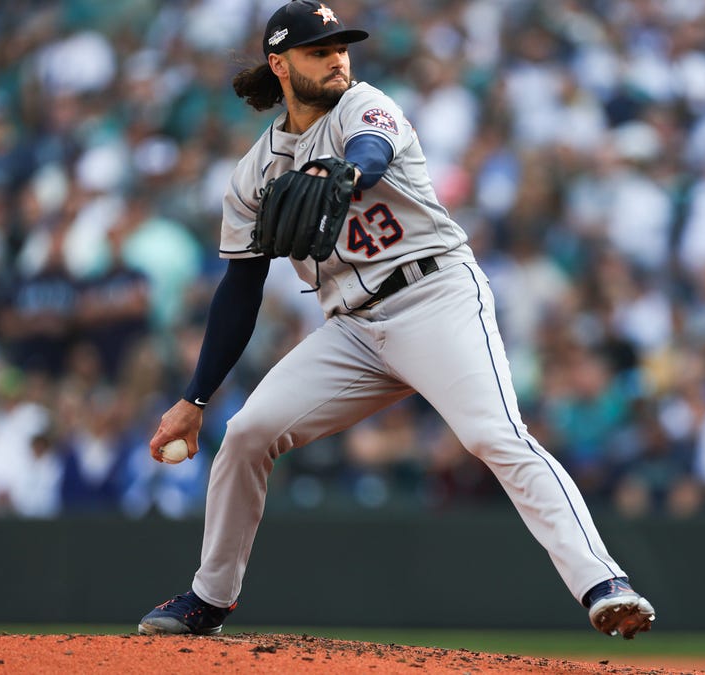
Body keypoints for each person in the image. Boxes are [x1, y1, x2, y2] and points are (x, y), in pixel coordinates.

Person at [135, 0, 655, 640]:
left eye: (340, 47)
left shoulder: (363, 104)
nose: (337, 60)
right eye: (319, 51)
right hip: (352, 330)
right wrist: (194, 397)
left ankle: (604, 583)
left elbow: (371, 149)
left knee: (495, 435)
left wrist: (344, 172)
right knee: (246, 434)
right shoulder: (255, 174)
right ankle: (208, 601)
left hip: (434, 297)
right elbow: (239, 289)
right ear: (280, 64)